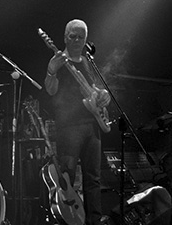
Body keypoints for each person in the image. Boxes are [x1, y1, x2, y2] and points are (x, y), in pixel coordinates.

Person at [44, 19, 111, 225]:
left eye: (80, 37)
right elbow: (50, 90)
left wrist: (104, 96)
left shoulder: (86, 61)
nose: (76, 40)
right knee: (67, 177)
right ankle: (69, 220)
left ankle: (94, 221)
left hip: (92, 125)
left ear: (85, 40)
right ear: (65, 38)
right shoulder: (58, 60)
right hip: (69, 126)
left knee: (94, 179)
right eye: (72, 36)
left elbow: (94, 88)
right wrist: (51, 71)